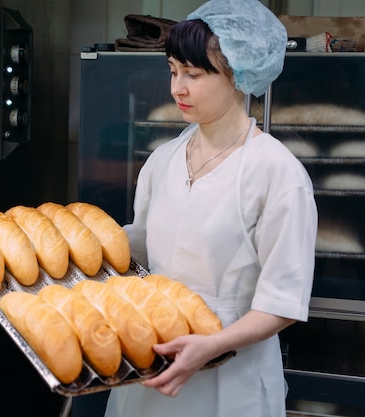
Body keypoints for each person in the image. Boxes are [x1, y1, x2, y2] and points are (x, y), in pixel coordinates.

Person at [103, 0, 318, 416]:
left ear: (239, 74)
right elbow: (142, 250)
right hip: (150, 369)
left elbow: (283, 303)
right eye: (172, 70)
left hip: (230, 381)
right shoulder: (164, 159)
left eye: (194, 74)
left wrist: (213, 345)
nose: (176, 88)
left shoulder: (277, 175)